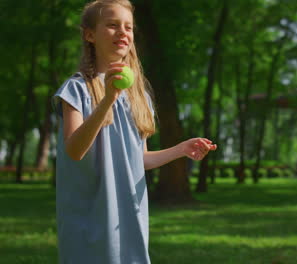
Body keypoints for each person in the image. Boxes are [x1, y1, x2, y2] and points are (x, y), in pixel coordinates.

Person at [52, 0, 217, 263]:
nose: (123, 32)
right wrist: (107, 100)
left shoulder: (140, 97)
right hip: (88, 217)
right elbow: (74, 150)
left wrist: (181, 149)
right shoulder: (76, 89)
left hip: (129, 215)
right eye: (112, 25)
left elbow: (138, 159)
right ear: (90, 34)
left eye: (128, 27)